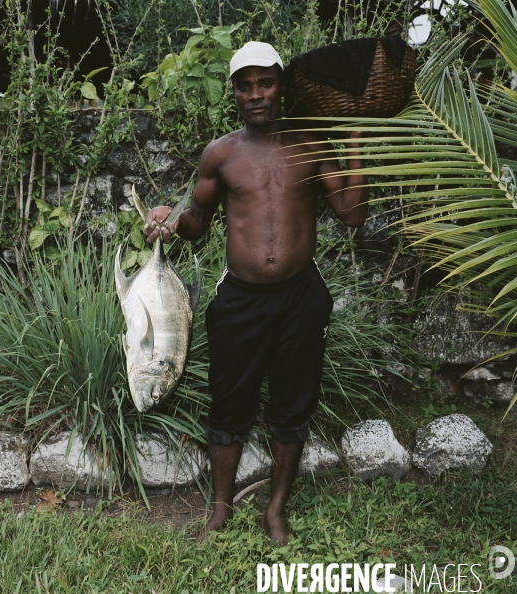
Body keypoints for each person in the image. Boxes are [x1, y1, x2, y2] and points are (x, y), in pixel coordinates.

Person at [143, 41, 369, 544]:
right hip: (241, 300)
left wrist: (353, 136)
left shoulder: (310, 145)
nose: (256, 95)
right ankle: (220, 511)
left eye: (265, 82)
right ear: (235, 94)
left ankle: (275, 511)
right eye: (245, 87)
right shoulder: (221, 154)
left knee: (293, 405)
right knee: (228, 406)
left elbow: (352, 214)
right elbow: (197, 224)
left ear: (280, 85)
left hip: (300, 297)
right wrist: (166, 222)